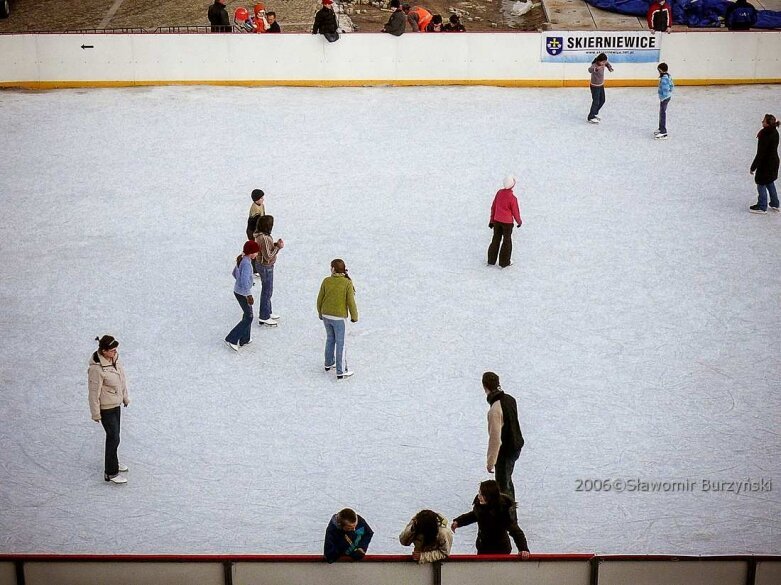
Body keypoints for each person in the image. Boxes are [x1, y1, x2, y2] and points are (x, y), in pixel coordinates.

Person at [88, 335, 130, 485]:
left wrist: (125, 397)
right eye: (112, 350)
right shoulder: (96, 369)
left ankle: (113, 462)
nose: (115, 352)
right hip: (106, 408)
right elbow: (93, 393)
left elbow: (121, 381)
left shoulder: (115, 359)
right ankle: (110, 472)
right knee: (113, 438)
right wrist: (95, 413)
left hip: (116, 404)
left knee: (115, 436)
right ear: (104, 351)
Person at [451, 480, 530, 557]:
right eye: (479, 493)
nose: (479, 496)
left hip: (500, 550)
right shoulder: (479, 505)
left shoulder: (502, 512)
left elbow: (516, 532)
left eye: (482, 495)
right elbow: (473, 515)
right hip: (483, 548)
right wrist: (458, 522)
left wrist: (523, 549)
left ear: (489, 496)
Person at [483, 371, 524, 502]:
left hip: (505, 452)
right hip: (516, 446)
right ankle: (510, 512)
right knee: (507, 479)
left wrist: (491, 461)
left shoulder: (495, 410)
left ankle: (509, 518)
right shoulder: (510, 399)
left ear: (485, 387)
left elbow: (495, 439)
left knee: (502, 486)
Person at [316, 259, 358, 379]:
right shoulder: (347, 283)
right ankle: (341, 370)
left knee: (330, 339)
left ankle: (328, 363)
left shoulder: (326, 281)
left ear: (334, 269)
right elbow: (351, 302)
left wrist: (320, 313)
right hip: (339, 317)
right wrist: (354, 316)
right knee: (341, 343)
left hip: (326, 315)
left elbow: (320, 299)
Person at [225, 240, 259, 351]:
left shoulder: (242, 259)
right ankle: (231, 338)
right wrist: (248, 295)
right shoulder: (247, 264)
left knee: (247, 314)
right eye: (256, 252)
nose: (257, 254)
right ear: (251, 252)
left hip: (238, 291)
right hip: (243, 294)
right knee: (249, 317)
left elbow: (234, 273)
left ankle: (245, 338)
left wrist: (242, 282)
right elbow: (244, 282)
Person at [254, 215, 284, 325]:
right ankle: (264, 316)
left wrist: (274, 244)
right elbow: (268, 256)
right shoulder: (264, 238)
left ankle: (268, 311)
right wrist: (278, 247)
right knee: (267, 291)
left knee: (268, 289)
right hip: (266, 266)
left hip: (263, 265)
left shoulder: (261, 236)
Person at [487, 176, 522, 269]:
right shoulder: (512, 198)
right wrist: (519, 221)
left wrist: (491, 220)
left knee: (495, 239)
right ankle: (504, 262)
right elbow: (515, 212)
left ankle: (491, 260)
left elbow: (493, 207)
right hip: (507, 223)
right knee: (507, 242)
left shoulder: (499, 193)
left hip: (497, 221)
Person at [749, 114, 780, 214]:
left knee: (761, 183)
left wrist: (753, 167)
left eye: (763, 121)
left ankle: (762, 206)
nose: (762, 122)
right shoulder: (775, 132)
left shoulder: (765, 135)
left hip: (765, 163)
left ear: (767, 124)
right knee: (770, 181)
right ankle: (775, 203)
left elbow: (760, 153)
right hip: (774, 161)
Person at [587, 53, 613, 124]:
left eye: (604, 62)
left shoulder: (604, 63)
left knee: (603, 100)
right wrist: (595, 69)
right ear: (599, 60)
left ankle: (594, 113)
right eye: (603, 62)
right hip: (595, 86)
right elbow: (589, 70)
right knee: (596, 102)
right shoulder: (594, 65)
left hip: (601, 85)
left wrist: (609, 67)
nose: (604, 63)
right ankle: (590, 117)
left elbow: (607, 63)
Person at [655, 62, 674, 140]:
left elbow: (666, 89)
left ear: (661, 70)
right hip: (666, 97)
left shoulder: (664, 78)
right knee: (661, 113)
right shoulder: (668, 76)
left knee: (663, 114)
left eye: (659, 70)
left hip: (664, 98)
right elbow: (672, 85)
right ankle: (660, 128)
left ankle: (663, 132)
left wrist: (663, 96)